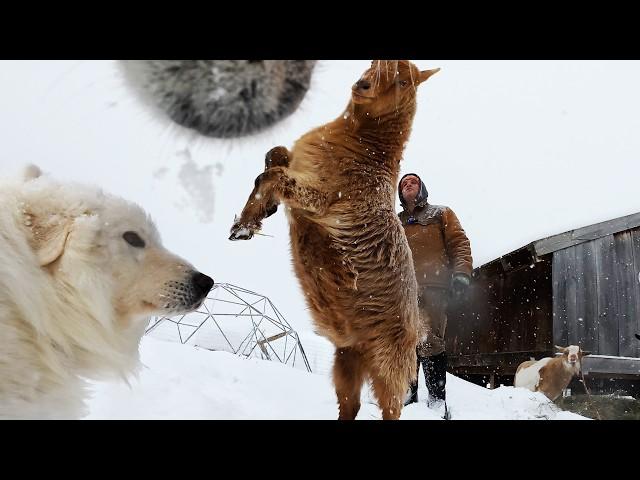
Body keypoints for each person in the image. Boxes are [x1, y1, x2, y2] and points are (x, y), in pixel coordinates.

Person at [398, 173, 473, 418]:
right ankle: (408, 397)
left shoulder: (440, 213)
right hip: (402, 291)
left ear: (422, 189)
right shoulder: (395, 221)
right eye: (404, 183)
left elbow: (459, 243)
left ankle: (436, 400)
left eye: (413, 182)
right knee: (405, 343)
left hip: (433, 287)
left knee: (431, 341)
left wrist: (461, 273)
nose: (408, 185)